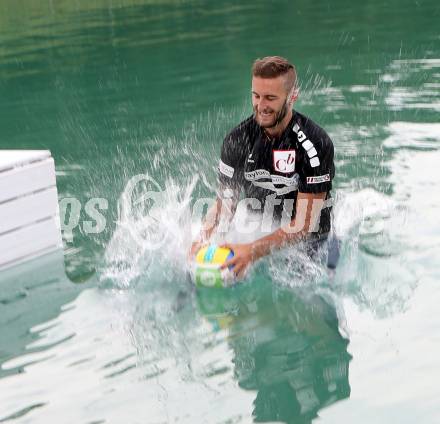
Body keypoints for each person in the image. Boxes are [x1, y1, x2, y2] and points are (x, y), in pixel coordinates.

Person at [190, 56, 335, 278]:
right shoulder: (237, 140)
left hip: (311, 243)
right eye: (256, 96)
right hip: (259, 228)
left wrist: (252, 252)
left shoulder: (313, 144)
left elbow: (305, 225)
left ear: (292, 96)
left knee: (311, 294)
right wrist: (202, 239)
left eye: (270, 98)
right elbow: (224, 204)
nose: (261, 105)